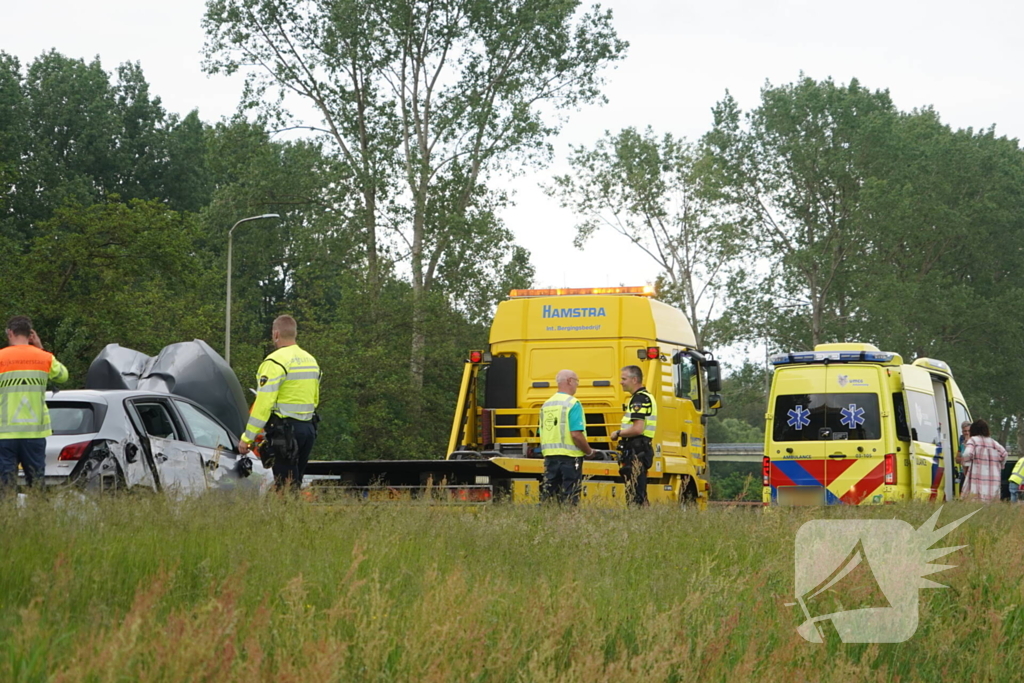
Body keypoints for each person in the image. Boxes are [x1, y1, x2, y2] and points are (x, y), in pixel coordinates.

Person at [238, 315, 320, 490]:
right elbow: (315, 399)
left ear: (276, 334)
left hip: (285, 432)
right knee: (296, 482)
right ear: (294, 333)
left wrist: (247, 438)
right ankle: (295, 508)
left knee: (285, 486)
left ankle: (287, 508)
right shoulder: (311, 360)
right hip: (308, 429)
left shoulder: (274, 362)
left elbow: (263, 404)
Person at [0, 316, 69, 491]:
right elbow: (63, 376)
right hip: (34, 433)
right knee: (36, 481)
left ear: (10, 333)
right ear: (30, 334)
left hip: (5, 433)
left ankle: (7, 509)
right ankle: (37, 507)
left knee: (5, 483)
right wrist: (40, 348)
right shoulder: (44, 357)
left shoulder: (1, 357)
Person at [539, 369, 596, 505]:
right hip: (570, 457)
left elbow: (543, 431)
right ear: (570, 381)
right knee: (570, 497)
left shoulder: (546, 405)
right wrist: (589, 451)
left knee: (549, 497)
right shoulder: (573, 403)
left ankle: (545, 517)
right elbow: (576, 434)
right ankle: (568, 518)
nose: (577, 386)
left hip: (550, 457)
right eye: (577, 382)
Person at [611, 365, 657, 506]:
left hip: (636, 450)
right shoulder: (644, 397)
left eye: (624, 379)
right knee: (639, 491)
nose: (621, 382)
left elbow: (638, 429)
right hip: (640, 449)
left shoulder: (639, 400)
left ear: (635, 379)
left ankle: (638, 516)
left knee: (635, 495)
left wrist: (618, 433)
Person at [959, 419, 1007, 502]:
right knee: (991, 504)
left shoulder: (973, 440)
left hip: (977, 479)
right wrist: (999, 465)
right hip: (993, 481)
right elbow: (1004, 454)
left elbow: (967, 453)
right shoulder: (993, 442)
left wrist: (967, 463)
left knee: (975, 503)